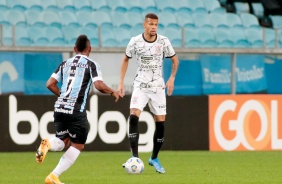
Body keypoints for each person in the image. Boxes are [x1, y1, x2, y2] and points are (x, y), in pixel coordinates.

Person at [35, 35, 120, 184]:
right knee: (78, 145)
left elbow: (50, 84)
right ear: (90, 49)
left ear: (74, 49)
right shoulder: (92, 64)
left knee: (63, 140)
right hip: (75, 109)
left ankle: (48, 143)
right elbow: (99, 85)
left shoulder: (64, 64)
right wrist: (112, 91)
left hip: (60, 107)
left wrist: (63, 95)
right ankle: (53, 176)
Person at [118, 13, 179, 174]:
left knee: (160, 123)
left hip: (158, 86)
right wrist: (121, 82)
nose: (153, 27)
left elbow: (175, 60)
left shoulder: (163, 41)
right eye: (151, 24)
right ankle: (135, 158)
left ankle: (154, 158)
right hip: (140, 85)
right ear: (144, 25)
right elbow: (125, 59)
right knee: (133, 115)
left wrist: (172, 78)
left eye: (156, 25)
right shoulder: (135, 41)